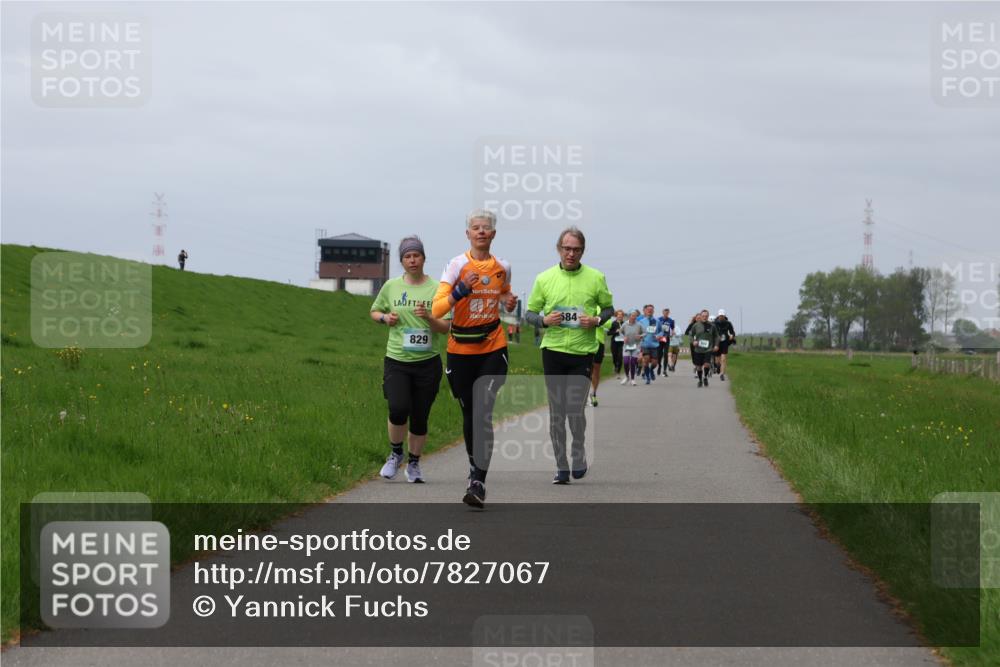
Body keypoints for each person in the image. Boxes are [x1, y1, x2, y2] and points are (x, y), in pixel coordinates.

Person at [432, 209, 518, 508]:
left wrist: (508, 301)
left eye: (486, 228)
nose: (481, 232)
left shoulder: (502, 266)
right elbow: (437, 310)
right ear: (467, 233)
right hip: (460, 350)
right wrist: (459, 291)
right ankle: (474, 466)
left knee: (482, 412)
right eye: (475, 228)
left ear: (493, 234)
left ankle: (478, 481)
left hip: (493, 347)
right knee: (469, 414)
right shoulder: (456, 265)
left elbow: (505, 292)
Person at [525, 226, 613, 484]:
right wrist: (543, 320)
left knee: (574, 410)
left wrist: (596, 320)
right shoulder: (544, 279)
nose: (571, 254)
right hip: (553, 351)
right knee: (557, 412)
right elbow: (529, 313)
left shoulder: (596, 277)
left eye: (576, 249)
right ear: (559, 249)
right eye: (567, 249)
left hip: (582, 352)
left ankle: (578, 450)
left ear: (582, 251)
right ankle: (561, 465)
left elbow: (608, 309)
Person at [370, 236, 451, 483]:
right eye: (407, 256)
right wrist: (385, 319)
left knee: (419, 415)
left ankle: (414, 464)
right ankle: (395, 455)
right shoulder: (391, 286)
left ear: (424, 258)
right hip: (397, 359)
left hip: (428, 362)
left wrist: (429, 317)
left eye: (416, 255)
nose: (412, 260)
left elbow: (446, 327)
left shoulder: (438, 289)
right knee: (397, 407)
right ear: (402, 261)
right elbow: (374, 311)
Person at [685, 309, 719, 387]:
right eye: (703, 316)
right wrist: (693, 341)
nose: (704, 317)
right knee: (699, 367)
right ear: (700, 316)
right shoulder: (696, 325)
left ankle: (705, 377)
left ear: (708, 316)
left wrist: (716, 345)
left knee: (707, 364)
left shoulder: (712, 326)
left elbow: (717, 336)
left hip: (708, 348)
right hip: (698, 349)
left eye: (706, 316)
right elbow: (690, 334)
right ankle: (700, 380)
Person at [588, 315, 613, 407]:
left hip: (599, 342)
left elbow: (609, 324)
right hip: (584, 341)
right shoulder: (584, 306)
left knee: (596, 369)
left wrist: (595, 320)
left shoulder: (600, 308)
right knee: (584, 368)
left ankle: (593, 393)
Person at [637, 304, 662, 385]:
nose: (650, 311)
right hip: (645, 344)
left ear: (653, 311)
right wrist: (640, 336)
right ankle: (647, 377)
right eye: (648, 310)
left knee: (655, 363)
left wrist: (658, 336)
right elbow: (638, 332)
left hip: (654, 345)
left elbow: (661, 331)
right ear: (646, 311)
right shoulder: (641, 321)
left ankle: (651, 370)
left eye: (651, 310)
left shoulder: (657, 321)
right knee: (646, 360)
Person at [619, 310, 643, 386]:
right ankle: (627, 377)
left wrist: (640, 336)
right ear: (629, 316)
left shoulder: (639, 324)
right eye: (632, 315)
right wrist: (623, 337)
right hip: (627, 345)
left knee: (633, 362)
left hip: (636, 345)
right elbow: (620, 332)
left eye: (635, 316)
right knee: (626, 361)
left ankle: (633, 379)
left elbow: (644, 333)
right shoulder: (625, 324)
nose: (634, 317)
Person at [713, 308, 736, 381]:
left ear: (724, 316)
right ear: (718, 316)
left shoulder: (728, 323)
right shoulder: (714, 323)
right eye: (720, 316)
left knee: (723, 359)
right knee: (717, 360)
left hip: (725, 342)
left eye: (722, 316)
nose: (721, 317)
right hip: (716, 342)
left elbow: (732, 332)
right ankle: (717, 366)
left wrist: (732, 335)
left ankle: (722, 374)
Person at [608, 309, 625, 379]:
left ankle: (618, 372)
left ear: (623, 316)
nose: (620, 316)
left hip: (622, 343)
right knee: (615, 357)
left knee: (620, 357)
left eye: (621, 315)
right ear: (616, 316)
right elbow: (608, 333)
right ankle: (615, 366)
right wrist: (616, 331)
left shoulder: (625, 323)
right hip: (614, 343)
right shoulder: (613, 323)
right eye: (618, 315)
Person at [659, 308, 677, 372]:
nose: (666, 314)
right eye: (665, 313)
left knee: (666, 354)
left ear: (669, 313)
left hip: (667, 338)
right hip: (660, 338)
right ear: (662, 312)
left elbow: (673, 328)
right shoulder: (659, 319)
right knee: (659, 354)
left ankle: (664, 370)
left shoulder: (671, 320)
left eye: (667, 313)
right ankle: (659, 365)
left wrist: (673, 332)